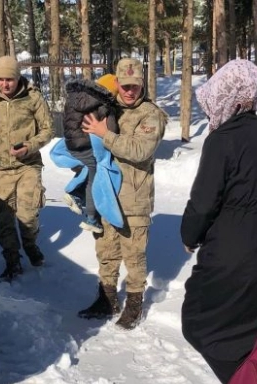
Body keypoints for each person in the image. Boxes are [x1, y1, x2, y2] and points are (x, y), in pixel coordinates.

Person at [179, 59, 257, 384]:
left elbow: (204, 201)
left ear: (226, 95)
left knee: (201, 323)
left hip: (238, 249)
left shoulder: (223, 139)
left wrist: (189, 235)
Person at [77, 58, 167, 330]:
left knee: (134, 254)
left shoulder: (150, 114)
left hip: (134, 198)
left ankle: (134, 304)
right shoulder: (108, 107)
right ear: (116, 83)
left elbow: (140, 151)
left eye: (135, 86)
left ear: (142, 85)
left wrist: (105, 135)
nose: (129, 91)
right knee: (106, 249)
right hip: (107, 195)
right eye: (125, 85)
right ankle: (106, 299)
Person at [0, 55, 54, 282]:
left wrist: (30, 146)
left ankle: (30, 244)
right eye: (0, 79)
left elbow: (48, 129)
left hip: (27, 166)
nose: (5, 84)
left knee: (28, 215)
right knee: (3, 219)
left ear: (18, 77)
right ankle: (12, 261)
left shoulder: (33, 97)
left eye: (9, 79)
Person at [62, 73, 120, 234]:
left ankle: (77, 195)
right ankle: (90, 217)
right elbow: (111, 130)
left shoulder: (76, 96)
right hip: (86, 144)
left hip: (71, 143)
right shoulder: (102, 104)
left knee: (88, 170)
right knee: (95, 176)